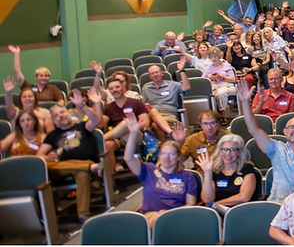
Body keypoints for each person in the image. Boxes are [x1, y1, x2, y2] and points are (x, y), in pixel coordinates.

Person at [36, 89, 106, 223]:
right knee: (50, 165)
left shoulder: (82, 127)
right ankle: (90, 166)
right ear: (54, 120)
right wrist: (47, 156)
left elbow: (96, 120)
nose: (60, 116)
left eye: (62, 112)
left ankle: (83, 214)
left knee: (82, 173)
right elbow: (39, 155)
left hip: (79, 168)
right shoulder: (52, 135)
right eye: (56, 115)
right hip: (60, 168)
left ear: (67, 113)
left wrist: (82, 106)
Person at [122, 112, 198, 228]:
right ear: (159, 156)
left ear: (178, 157)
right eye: (164, 154)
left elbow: (191, 204)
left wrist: (167, 214)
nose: (167, 157)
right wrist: (133, 133)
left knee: (159, 221)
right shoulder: (148, 170)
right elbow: (128, 158)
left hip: (176, 217)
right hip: (149, 216)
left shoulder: (187, 177)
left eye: (171, 154)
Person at [196, 134, 261, 213]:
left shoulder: (247, 169)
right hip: (217, 212)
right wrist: (207, 173)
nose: (228, 153)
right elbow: (207, 200)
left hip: (241, 211)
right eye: (225, 149)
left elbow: (244, 197)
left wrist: (216, 204)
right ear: (220, 151)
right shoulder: (215, 170)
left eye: (232, 150)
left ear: (240, 152)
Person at [142, 60, 192, 141]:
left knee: (155, 125)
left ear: (162, 73)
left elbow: (186, 87)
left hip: (169, 115)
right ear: (150, 76)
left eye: (156, 72)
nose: (155, 75)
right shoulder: (146, 88)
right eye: (152, 73)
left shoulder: (172, 85)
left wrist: (181, 71)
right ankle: (171, 132)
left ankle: (162, 147)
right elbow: (144, 105)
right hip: (153, 115)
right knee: (153, 111)